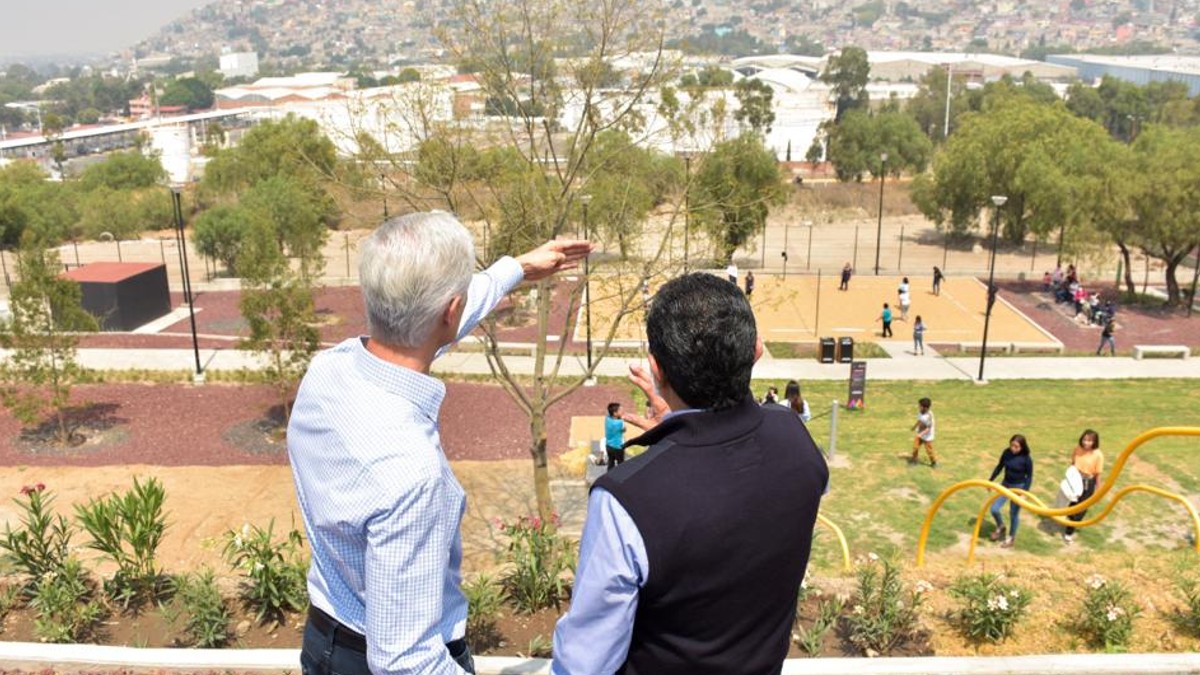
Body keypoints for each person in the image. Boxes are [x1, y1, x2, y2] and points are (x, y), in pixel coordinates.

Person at [288, 212, 590, 675]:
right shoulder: (413, 476)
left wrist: (516, 270)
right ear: (451, 311)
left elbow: (422, 334)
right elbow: (403, 659)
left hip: (323, 643)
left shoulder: (328, 370)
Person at [552, 273, 829, 675]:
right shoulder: (795, 439)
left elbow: (583, 664)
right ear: (756, 351)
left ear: (656, 369)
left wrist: (674, 444)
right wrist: (680, 430)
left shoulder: (625, 499)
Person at [988, 434, 1034, 549]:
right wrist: (990, 481)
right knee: (994, 509)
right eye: (1012, 445)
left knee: (1013, 514)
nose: (1013, 449)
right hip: (1006, 485)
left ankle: (1011, 538)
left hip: (1018, 487)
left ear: (1022, 447)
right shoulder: (1006, 453)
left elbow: (1029, 477)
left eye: (1016, 447)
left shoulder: (1026, 459)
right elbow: (999, 467)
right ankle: (1001, 526)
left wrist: (1024, 492)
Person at [1064, 429, 1103, 544]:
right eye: (1085, 439)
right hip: (1075, 479)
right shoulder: (1077, 449)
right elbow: (1073, 464)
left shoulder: (1098, 455)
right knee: (1072, 503)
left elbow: (1098, 474)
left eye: (1090, 440)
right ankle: (1070, 520)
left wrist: (1098, 489)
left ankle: (1069, 532)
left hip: (1087, 482)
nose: (1086, 443)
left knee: (1081, 508)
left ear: (1095, 442)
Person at [909, 397, 936, 467]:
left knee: (929, 451)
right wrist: (914, 427)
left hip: (927, 437)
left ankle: (934, 462)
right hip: (920, 435)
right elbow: (920, 420)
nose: (919, 407)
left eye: (920, 406)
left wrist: (920, 434)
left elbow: (928, 428)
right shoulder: (920, 413)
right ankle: (914, 461)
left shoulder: (929, 416)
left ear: (925, 408)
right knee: (915, 447)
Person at [604, 402, 627, 471]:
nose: (622, 411)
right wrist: (622, 419)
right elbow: (624, 430)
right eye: (620, 410)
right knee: (621, 465)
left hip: (608, 446)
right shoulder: (619, 422)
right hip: (617, 447)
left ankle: (609, 477)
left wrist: (619, 416)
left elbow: (610, 414)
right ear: (615, 413)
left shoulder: (607, 418)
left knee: (611, 463)